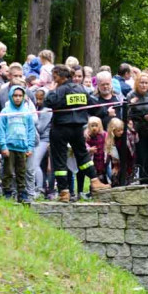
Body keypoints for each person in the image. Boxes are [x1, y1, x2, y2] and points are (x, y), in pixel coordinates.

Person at [45, 64, 109, 202]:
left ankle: (64, 192)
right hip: (77, 129)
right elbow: (93, 106)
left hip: (60, 129)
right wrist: (105, 112)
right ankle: (94, 180)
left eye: (55, 77)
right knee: (83, 155)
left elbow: (49, 102)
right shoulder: (81, 89)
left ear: (62, 76)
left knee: (60, 160)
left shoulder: (59, 90)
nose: (54, 80)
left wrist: (51, 90)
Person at [0, 84, 36, 202]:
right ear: (11, 96)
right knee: (8, 171)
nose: (18, 98)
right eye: (15, 96)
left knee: (21, 172)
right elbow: (1, 129)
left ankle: (22, 193)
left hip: (22, 147)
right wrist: (3, 146)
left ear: (24, 97)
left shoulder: (27, 112)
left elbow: (31, 130)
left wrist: (30, 146)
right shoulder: (6, 111)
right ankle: (7, 192)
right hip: (9, 147)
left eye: (20, 95)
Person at [30, 86, 52, 199]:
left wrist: (30, 123)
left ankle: (39, 188)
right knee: (41, 166)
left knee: (34, 163)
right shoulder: (39, 109)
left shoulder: (46, 110)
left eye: (41, 99)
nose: (38, 101)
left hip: (44, 139)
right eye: (37, 98)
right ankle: (42, 185)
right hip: (39, 139)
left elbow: (40, 127)